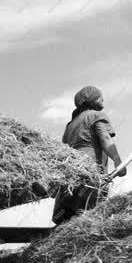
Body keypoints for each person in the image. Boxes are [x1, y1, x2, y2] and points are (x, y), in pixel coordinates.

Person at [52, 86, 126, 225]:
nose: (103, 98)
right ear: (91, 100)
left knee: (69, 221)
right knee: (91, 217)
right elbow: (105, 138)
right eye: (99, 96)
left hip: (70, 176)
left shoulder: (70, 124)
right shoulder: (96, 115)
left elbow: (63, 150)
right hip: (91, 173)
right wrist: (117, 161)